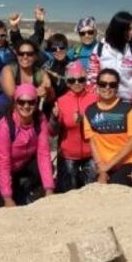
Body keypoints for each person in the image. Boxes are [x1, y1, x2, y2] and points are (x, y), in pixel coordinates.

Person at [0, 84, 55, 208]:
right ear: (15, 103)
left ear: (36, 103)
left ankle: (25, 193)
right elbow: (4, 162)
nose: (26, 106)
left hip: (20, 164)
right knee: (0, 205)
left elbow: (43, 154)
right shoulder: (5, 126)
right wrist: (7, 198)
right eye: (21, 102)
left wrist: (49, 189)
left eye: (31, 102)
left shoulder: (40, 119)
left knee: (48, 167)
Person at [84, 68, 132, 187]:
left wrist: (107, 167)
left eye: (112, 84)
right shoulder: (89, 112)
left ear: (117, 87)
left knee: (114, 185)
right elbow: (92, 142)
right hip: (105, 165)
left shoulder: (129, 109)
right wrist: (101, 168)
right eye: (103, 84)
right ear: (97, 85)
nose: (107, 88)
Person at [87, 11, 132, 109]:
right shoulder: (100, 49)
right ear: (118, 29)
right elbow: (92, 79)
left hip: (129, 104)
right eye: (129, 29)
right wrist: (97, 103)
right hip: (104, 103)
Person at [49, 62, 97, 193]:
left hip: (91, 154)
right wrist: (54, 118)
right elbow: (52, 132)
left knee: (92, 193)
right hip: (68, 156)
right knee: (67, 193)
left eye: (81, 79)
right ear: (67, 82)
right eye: (72, 80)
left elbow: (102, 126)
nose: (77, 83)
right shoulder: (61, 101)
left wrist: (86, 121)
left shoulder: (95, 99)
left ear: (86, 80)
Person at [42, 33, 71, 99]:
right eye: (54, 49)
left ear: (67, 48)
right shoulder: (47, 66)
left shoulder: (74, 66)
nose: (58, 51)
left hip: (68, 102)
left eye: (61, 47)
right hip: (51, 102)